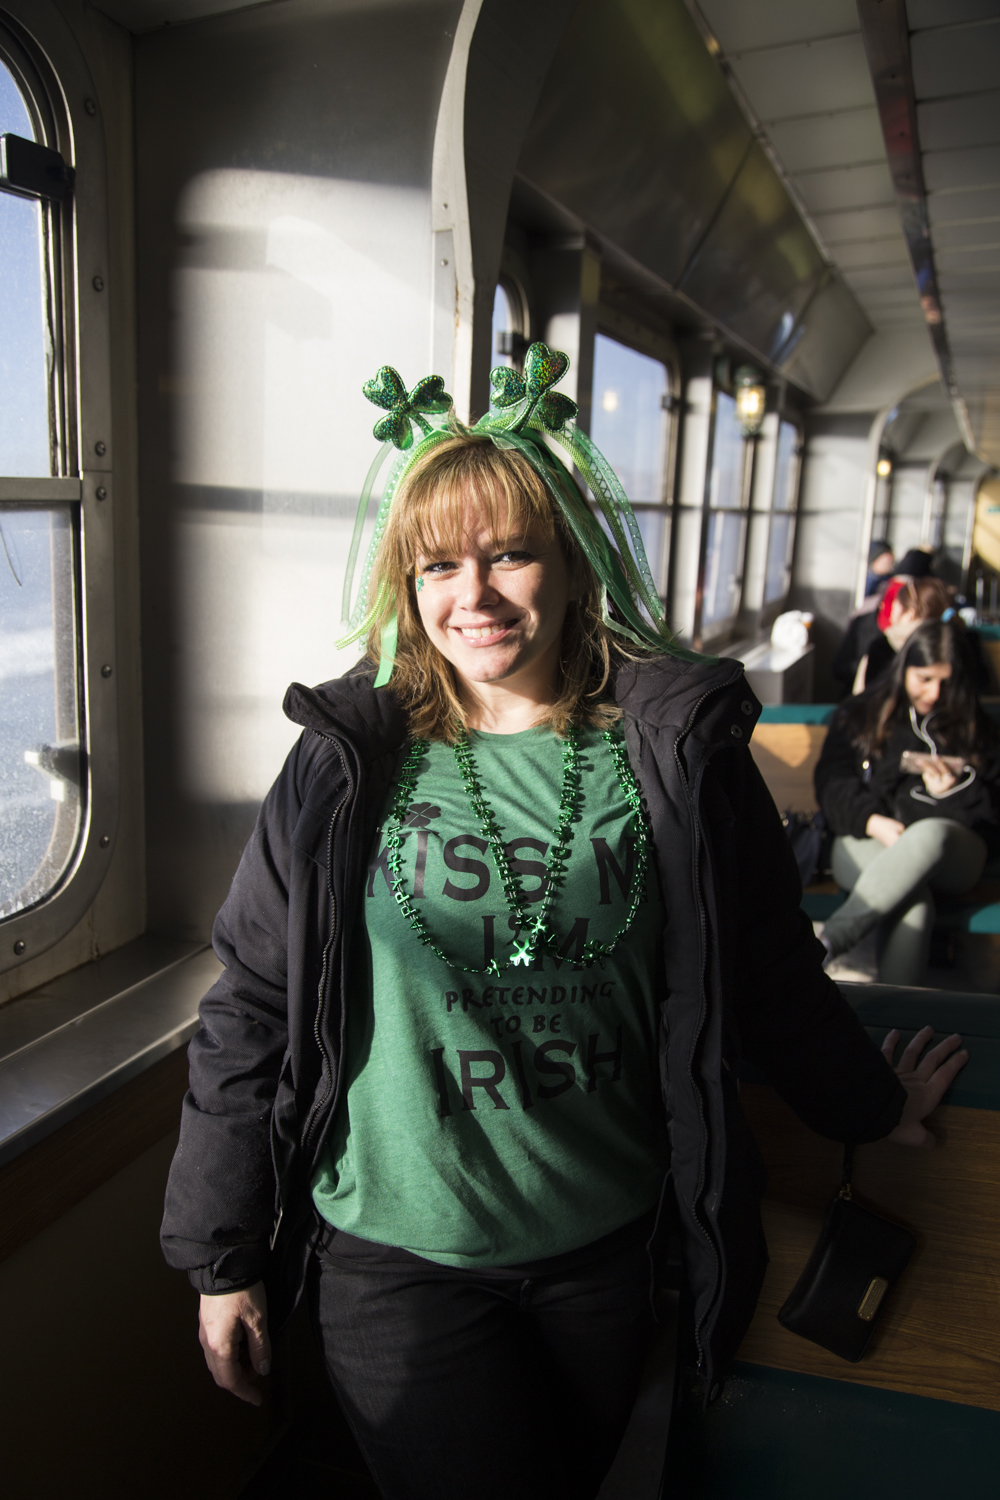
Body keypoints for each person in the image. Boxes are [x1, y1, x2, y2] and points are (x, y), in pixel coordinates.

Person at [162, 345, 965, 1500]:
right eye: (438, 565)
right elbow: (249, 1004)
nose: (473, 596)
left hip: (608, 1252)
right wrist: (220, 1257)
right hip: (397, 1263)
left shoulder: (673, 753)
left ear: (571, 564)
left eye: (508, 555)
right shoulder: (348, 764)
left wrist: (870, 1107)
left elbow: (768, 965)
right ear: (404, 582)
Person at [815, 618, 1000, 986]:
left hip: (953, 852)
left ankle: (825, 944)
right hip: (868, 836)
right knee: (914, 905)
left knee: (930, 834)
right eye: (925, 679)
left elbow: (993, 810)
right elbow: (832, 785)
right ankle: (901, 1022)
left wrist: (952, 792)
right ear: (905, 670)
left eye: (947, 683)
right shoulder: (861, 714)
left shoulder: (976, 728)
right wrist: (872, 821)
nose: (934, 694)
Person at [853, 573, 951, 693]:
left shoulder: (884, 646)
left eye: (895, 603)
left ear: (910, 612)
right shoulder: (954, 642)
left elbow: (866, 699)